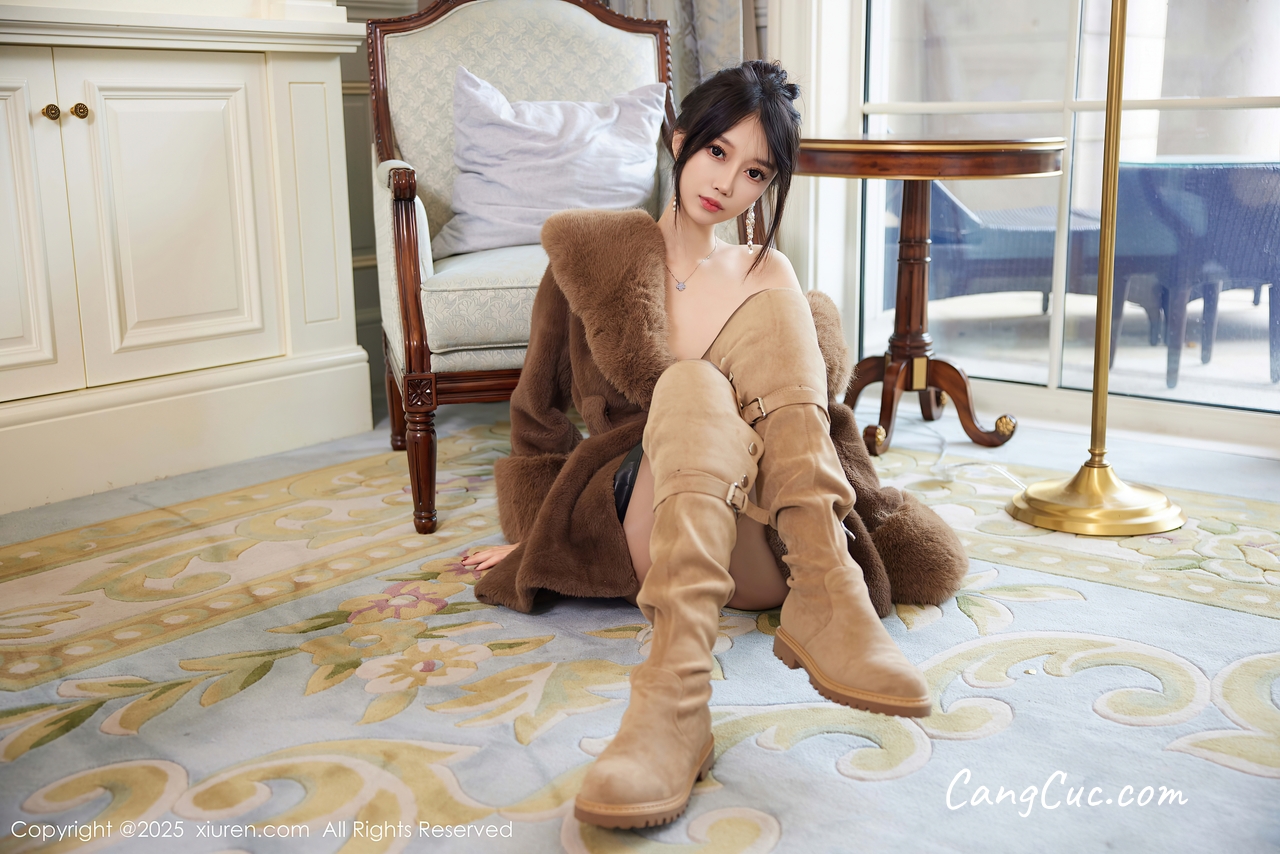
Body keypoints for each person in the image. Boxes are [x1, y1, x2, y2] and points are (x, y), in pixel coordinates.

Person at [463, 61, 969, 829]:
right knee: (692, 385)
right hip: (648, 516)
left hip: (765, 544)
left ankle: (825, 589)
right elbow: (538, 412)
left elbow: (817, 425)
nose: (728, 182)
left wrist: (875, 516)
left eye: (755, 171)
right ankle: (674, 700)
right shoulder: (594, 257)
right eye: (717, 152)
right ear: (680, 143)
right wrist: (535, 535)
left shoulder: (768, 276)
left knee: (773, 294)